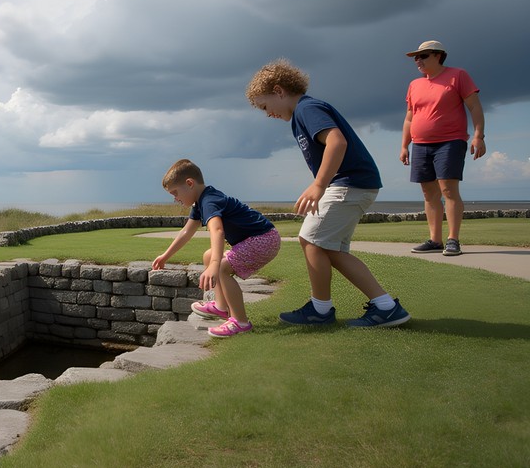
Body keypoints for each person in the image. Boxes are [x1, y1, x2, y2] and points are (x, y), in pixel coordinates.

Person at [245, 58, 410, 328]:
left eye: (265, 106)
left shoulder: (307, 109)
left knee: (310, 240)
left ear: (278, 91)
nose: (268, 113)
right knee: (330, 250)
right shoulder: (300, 115)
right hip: (356, 185)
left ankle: (320, 310)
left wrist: (319, 185)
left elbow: (337, 141)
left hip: (349, 184)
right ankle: (385, 306)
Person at [152, 159, 282, 337]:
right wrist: (166, 255)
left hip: (264, 239)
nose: (175, 199)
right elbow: (186, 232)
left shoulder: (209, 201)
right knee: (208, 255)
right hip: (263, 238)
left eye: (175, 193)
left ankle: (241, 322)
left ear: (189, 184)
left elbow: (218, 230)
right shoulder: (200, 202)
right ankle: (221, 307)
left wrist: (215, 264)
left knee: (220, 267)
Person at [401, 40, 485, 257]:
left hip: (450, 141)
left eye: (423, 56)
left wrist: (478, 135)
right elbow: (410, 118)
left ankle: (452, 240)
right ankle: (435, 240)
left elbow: (474, 106)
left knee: (448, 190)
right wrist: (404, 145)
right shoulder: (414, 85)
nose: (418, 60)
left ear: (438, 55)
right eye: (416, 57)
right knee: (429, 194)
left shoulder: (458, 75)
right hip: (420, 144)